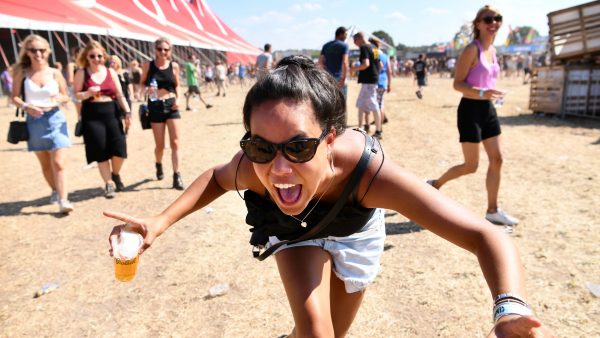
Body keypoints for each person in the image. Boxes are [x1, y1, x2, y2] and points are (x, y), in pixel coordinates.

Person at [105, 55, 554, 338]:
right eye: (261, 147)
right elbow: (218, 178)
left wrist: (509, 308)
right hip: (292, 232)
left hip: (354, 230)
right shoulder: (258, 170)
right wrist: (158, 222)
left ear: (331, 138)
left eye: (299, 146)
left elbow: (484, 235)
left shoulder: (369, 175)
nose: (278, 168)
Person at [427, 5, 519, 228]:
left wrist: (493, 93)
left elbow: (487, 82)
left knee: (497, 159)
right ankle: (434, 184)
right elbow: (457, 83)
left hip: (488, 109)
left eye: (497, 18)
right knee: (471, 166)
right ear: (478, 24)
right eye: (488, 19)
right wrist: (481, 92)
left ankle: (492, 211)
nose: (494, 22)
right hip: (470, 110)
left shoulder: (493, 51)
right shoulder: (472, 50)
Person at [11, 34, 74, 213]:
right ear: (27, 53)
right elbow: (14, 97)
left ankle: (64, 200)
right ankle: (55, 190)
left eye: (41, 50)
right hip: (34, 121)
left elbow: (66, 96)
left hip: (55, 118)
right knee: (45, 164)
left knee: (59, 163)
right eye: (33, 50)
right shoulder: (21, 73)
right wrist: (26, 106)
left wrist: (60, 98)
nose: (38, 54)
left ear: (47, 51)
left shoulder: (54, 73)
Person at [73, 40, 131, 198]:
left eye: (100, 56)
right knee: (100, 150)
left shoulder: (110, 72)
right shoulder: (81, 73)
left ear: (104, 56)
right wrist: (87, 93)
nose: (96, 59)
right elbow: (76, 94)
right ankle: (109, 183)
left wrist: (127, 112)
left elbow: (119, 94)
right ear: (87, 56)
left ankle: (115, 174)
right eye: (93, 56)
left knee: (119, 150)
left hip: (111, 112)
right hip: (92, 114)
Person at [140, 37, 185, 190]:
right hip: (155, 106)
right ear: (155, 50)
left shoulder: (174, 66)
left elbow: (177, 86)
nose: (163, 52)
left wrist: (178, 99)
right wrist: (146, 90)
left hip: (171, 104)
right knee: (160, 145)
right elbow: (141, 84)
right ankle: (158, 164)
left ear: (170, 51)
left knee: (176, 142)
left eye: (166, 49)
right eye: (160, 49)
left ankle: (177, 175)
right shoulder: (148, 66)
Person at [349, 32, 382, 139]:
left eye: (355, 41)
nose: (355, 44)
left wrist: (353, 69)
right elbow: (380, 65)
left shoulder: (364, 47)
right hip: (373, 80)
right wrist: (375, 74)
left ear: (359, 39)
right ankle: (361, 128)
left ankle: (378, 130)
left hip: (368, 81)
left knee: (373, 105)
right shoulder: (375, 47)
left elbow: (365, 64)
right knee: (361, 104)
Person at [318, 26, 349, 99]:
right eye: (346, 35)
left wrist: (323, 77)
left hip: (327, 78)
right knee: (341, 102)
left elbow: (320, 62)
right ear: (341, 34)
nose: (346, 37)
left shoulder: (326, 45)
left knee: (329, 101)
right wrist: (344, 78)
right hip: (339, 78)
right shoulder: (344, 46)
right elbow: (345, 62)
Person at [370, 37, 391, 125]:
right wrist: (389, 84)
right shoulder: (385, 56)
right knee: (378, 103)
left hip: (376, 82)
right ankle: (381, 119)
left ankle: (380, 123)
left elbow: (380, 66)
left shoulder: (374, 53)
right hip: (383, 82)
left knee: (378, 105)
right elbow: (389, 70)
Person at [109, 55, 134, 131]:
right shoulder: (109, 73)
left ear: (117, 63)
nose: (111, 63)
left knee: (127, 115)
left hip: (125, 97)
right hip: (115, 98)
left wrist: (132, 94)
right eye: (110, 62)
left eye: (113, 62)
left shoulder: (123, 73)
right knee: (117, 116)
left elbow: (129, 84)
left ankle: (127, 128)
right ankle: (120, 130)